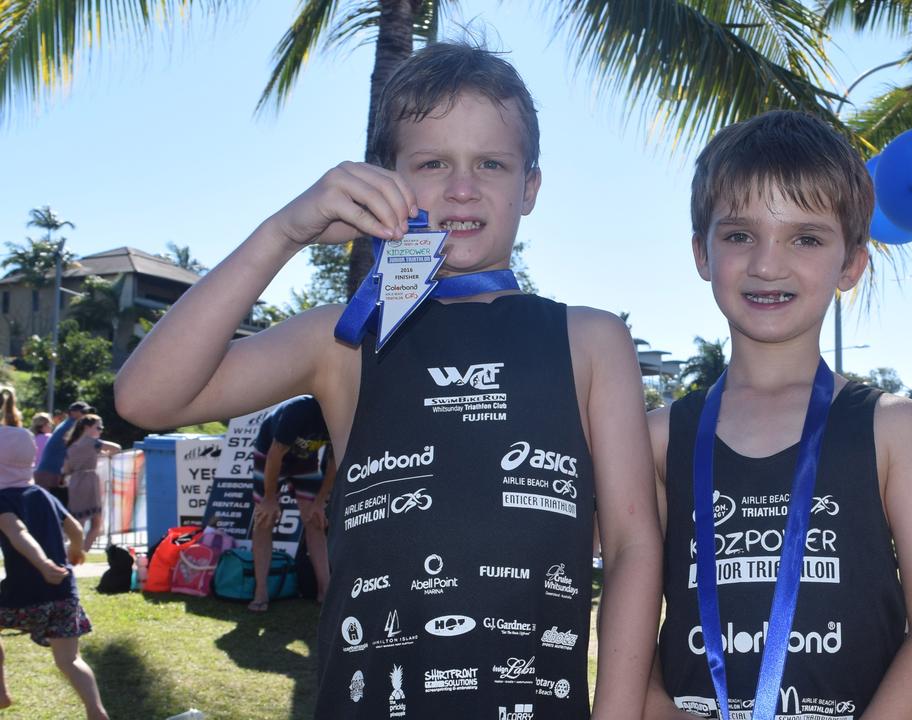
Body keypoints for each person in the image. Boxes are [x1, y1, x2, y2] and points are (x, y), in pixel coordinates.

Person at [115, 42, 660, 718]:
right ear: (385, 181)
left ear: (530, 188)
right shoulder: (342, 338)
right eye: (432, 163)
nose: (462, 188)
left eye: (491, 163)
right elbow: (146, 397)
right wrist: (286, 230)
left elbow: (636, 545)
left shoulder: (590, 340)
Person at [644, 110, 912, 720]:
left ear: (851, 263)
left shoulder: (894, 427)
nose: (768, 264)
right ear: (701, 252)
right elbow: (628, 622)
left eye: (806, 237)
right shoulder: (659, 437)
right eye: (739, 235)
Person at [0, 426, 108, 720]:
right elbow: (73, 525)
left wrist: (43, 564)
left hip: (24, 593)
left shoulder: (2, 499)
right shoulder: (43, 495)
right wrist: (76, 549)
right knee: (70, 659)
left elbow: (17, 532)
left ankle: (0, 691)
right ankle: (96, 712)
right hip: (63, 592)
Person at [248, 395, 331, 612]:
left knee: (315, 520)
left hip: (304, 460)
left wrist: (320, 502)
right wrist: (269, 498)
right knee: (265, 519)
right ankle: (261, 591)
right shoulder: (300, 409)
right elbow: (275, 455)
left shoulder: (341, 415)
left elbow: (334, 461)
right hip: (270, 455)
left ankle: (326, 591)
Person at [61, 414, 121, 551]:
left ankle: (75, 551)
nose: (100, 431)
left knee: (79, 520)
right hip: (89, 480)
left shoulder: (72, 445)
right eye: (98, 427)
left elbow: (66, 468)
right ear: (87, 427)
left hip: (75, 481)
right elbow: (117, 448)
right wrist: (103, 454)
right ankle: (82, 551)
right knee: (95, 523)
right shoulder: (93, 443)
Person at [34, 401, 92, 508]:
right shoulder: (71, 425)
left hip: (47, 474)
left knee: (51, 510)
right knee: (53, 511)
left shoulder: (66, 424)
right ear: (72, 413)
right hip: (50, 475)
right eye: (83, 411)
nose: (86, 414)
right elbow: (82, 444)